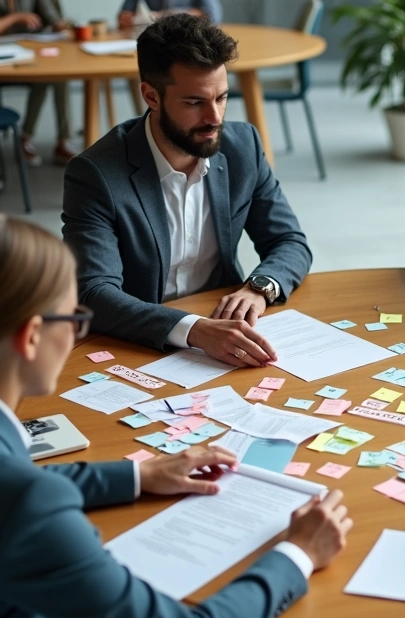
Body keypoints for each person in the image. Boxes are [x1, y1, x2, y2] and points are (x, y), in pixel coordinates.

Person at [0, 212, 352, 618]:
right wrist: (297, 554)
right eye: (73, 318)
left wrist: (137, 475)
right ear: (31, 336)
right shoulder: (23, 506)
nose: (77, 332)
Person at [62, 14, 312, 366]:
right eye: (195, 103)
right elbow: (93, 292)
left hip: (225, 332)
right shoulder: (95, 173)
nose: (215, 118)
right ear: (151, 96)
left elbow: (289, 241)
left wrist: (259, 288)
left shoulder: (243, 147)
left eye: (221, 98)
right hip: (140, 339)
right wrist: (194, 329)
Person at [0, 0, 77, 165]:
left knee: (58, 75)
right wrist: (16, 18)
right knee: (44, 77)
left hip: (27, 58)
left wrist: (60, 24)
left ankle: (59, 142)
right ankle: (23, 140)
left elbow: (51, 17)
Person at [118, 0, 223, 30]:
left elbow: (213, 16)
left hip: (190, 41)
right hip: (157, 41)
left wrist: (164, 15)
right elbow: (123, 17)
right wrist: (127, 20)